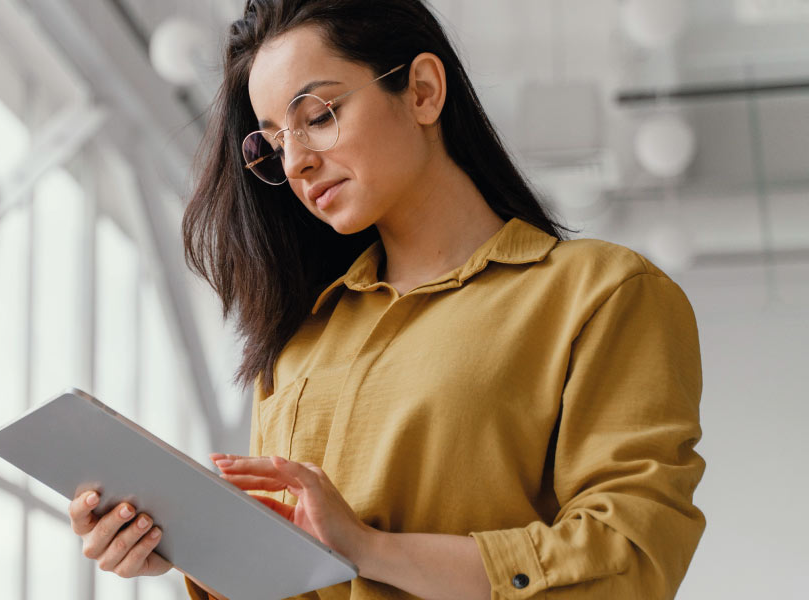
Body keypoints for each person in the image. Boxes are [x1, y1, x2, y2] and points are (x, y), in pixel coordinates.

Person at [65, 0, 706, 598]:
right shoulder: (301, 338)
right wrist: (187, 545)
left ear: (422, 90)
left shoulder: (600, 294)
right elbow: (292, 575)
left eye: (316, 116)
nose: (297, 165)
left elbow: (632, 556)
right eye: (275, 143)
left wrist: (371, 550)